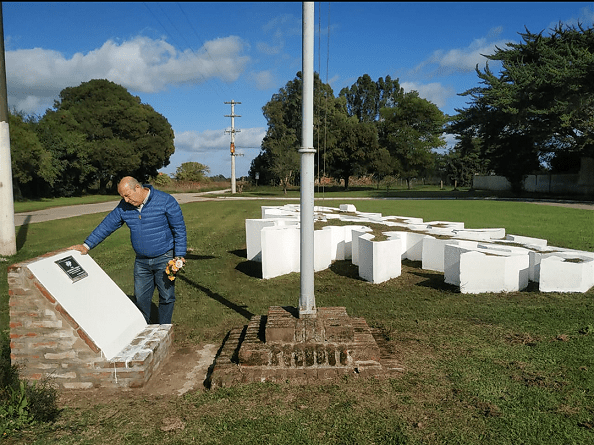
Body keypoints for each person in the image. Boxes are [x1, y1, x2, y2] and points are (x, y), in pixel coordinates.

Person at [71, 176, 187, 324]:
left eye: (127, 195)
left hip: (165, 258)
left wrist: (179, 256)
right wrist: (86, 245)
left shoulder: (166, 201)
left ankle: (164, 329)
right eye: (122, 197)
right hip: (142, 262)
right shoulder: (124, 206)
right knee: (141, 298)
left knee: (166, 296)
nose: (125, 200)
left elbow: (179, 230)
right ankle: (144, 328)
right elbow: (107, 225)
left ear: (137, 188)